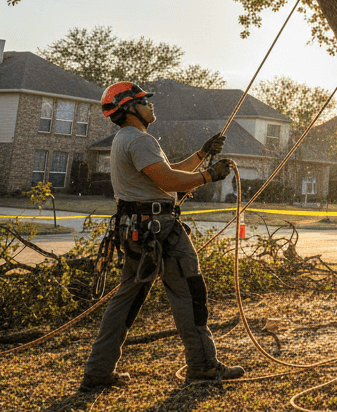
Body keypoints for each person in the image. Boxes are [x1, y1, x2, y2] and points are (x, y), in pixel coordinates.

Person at [78, 81, 244, 393]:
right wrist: (210, 175)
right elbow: (168, 180)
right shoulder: (139, 140)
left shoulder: (126, 139)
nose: (151, 105)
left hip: (138, 228)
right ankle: (202, 363)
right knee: (188, 293)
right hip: (159, 230)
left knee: (126, 299)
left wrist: (202, 154)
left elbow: (168, 172)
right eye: (143, 101)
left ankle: (98, 370)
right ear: (129, 109)